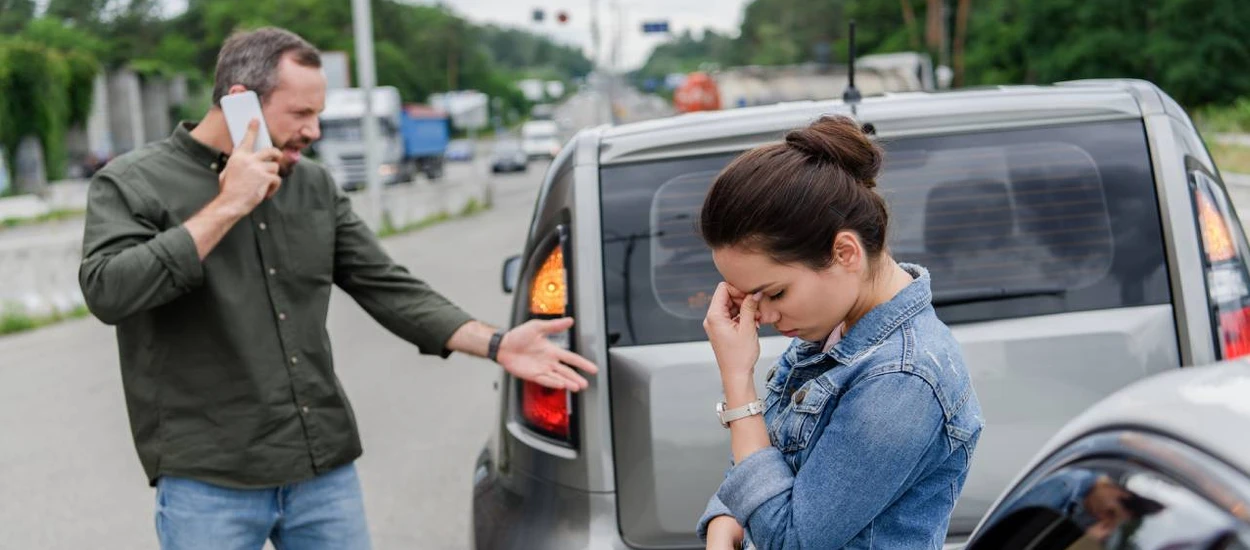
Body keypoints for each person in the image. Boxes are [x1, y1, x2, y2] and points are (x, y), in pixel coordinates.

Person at [77, 27, 597, 550]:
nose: (315, 130)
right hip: (209, 480)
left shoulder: (314, 186)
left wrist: (497, 343)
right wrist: (230, 204)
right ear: (241, 104)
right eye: (301, 114)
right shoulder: (131, 184)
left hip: (320, 471)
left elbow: (388, 287)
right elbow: (109, 291)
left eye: (317, 113)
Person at [695, 115, 983, 549]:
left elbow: (790, 539)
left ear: (844, 252)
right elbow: (761, 468)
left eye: (773, 292)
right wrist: (722, 523)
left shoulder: (903, 379)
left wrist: (738, 384)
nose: (765, 316)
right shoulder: (833, 331)